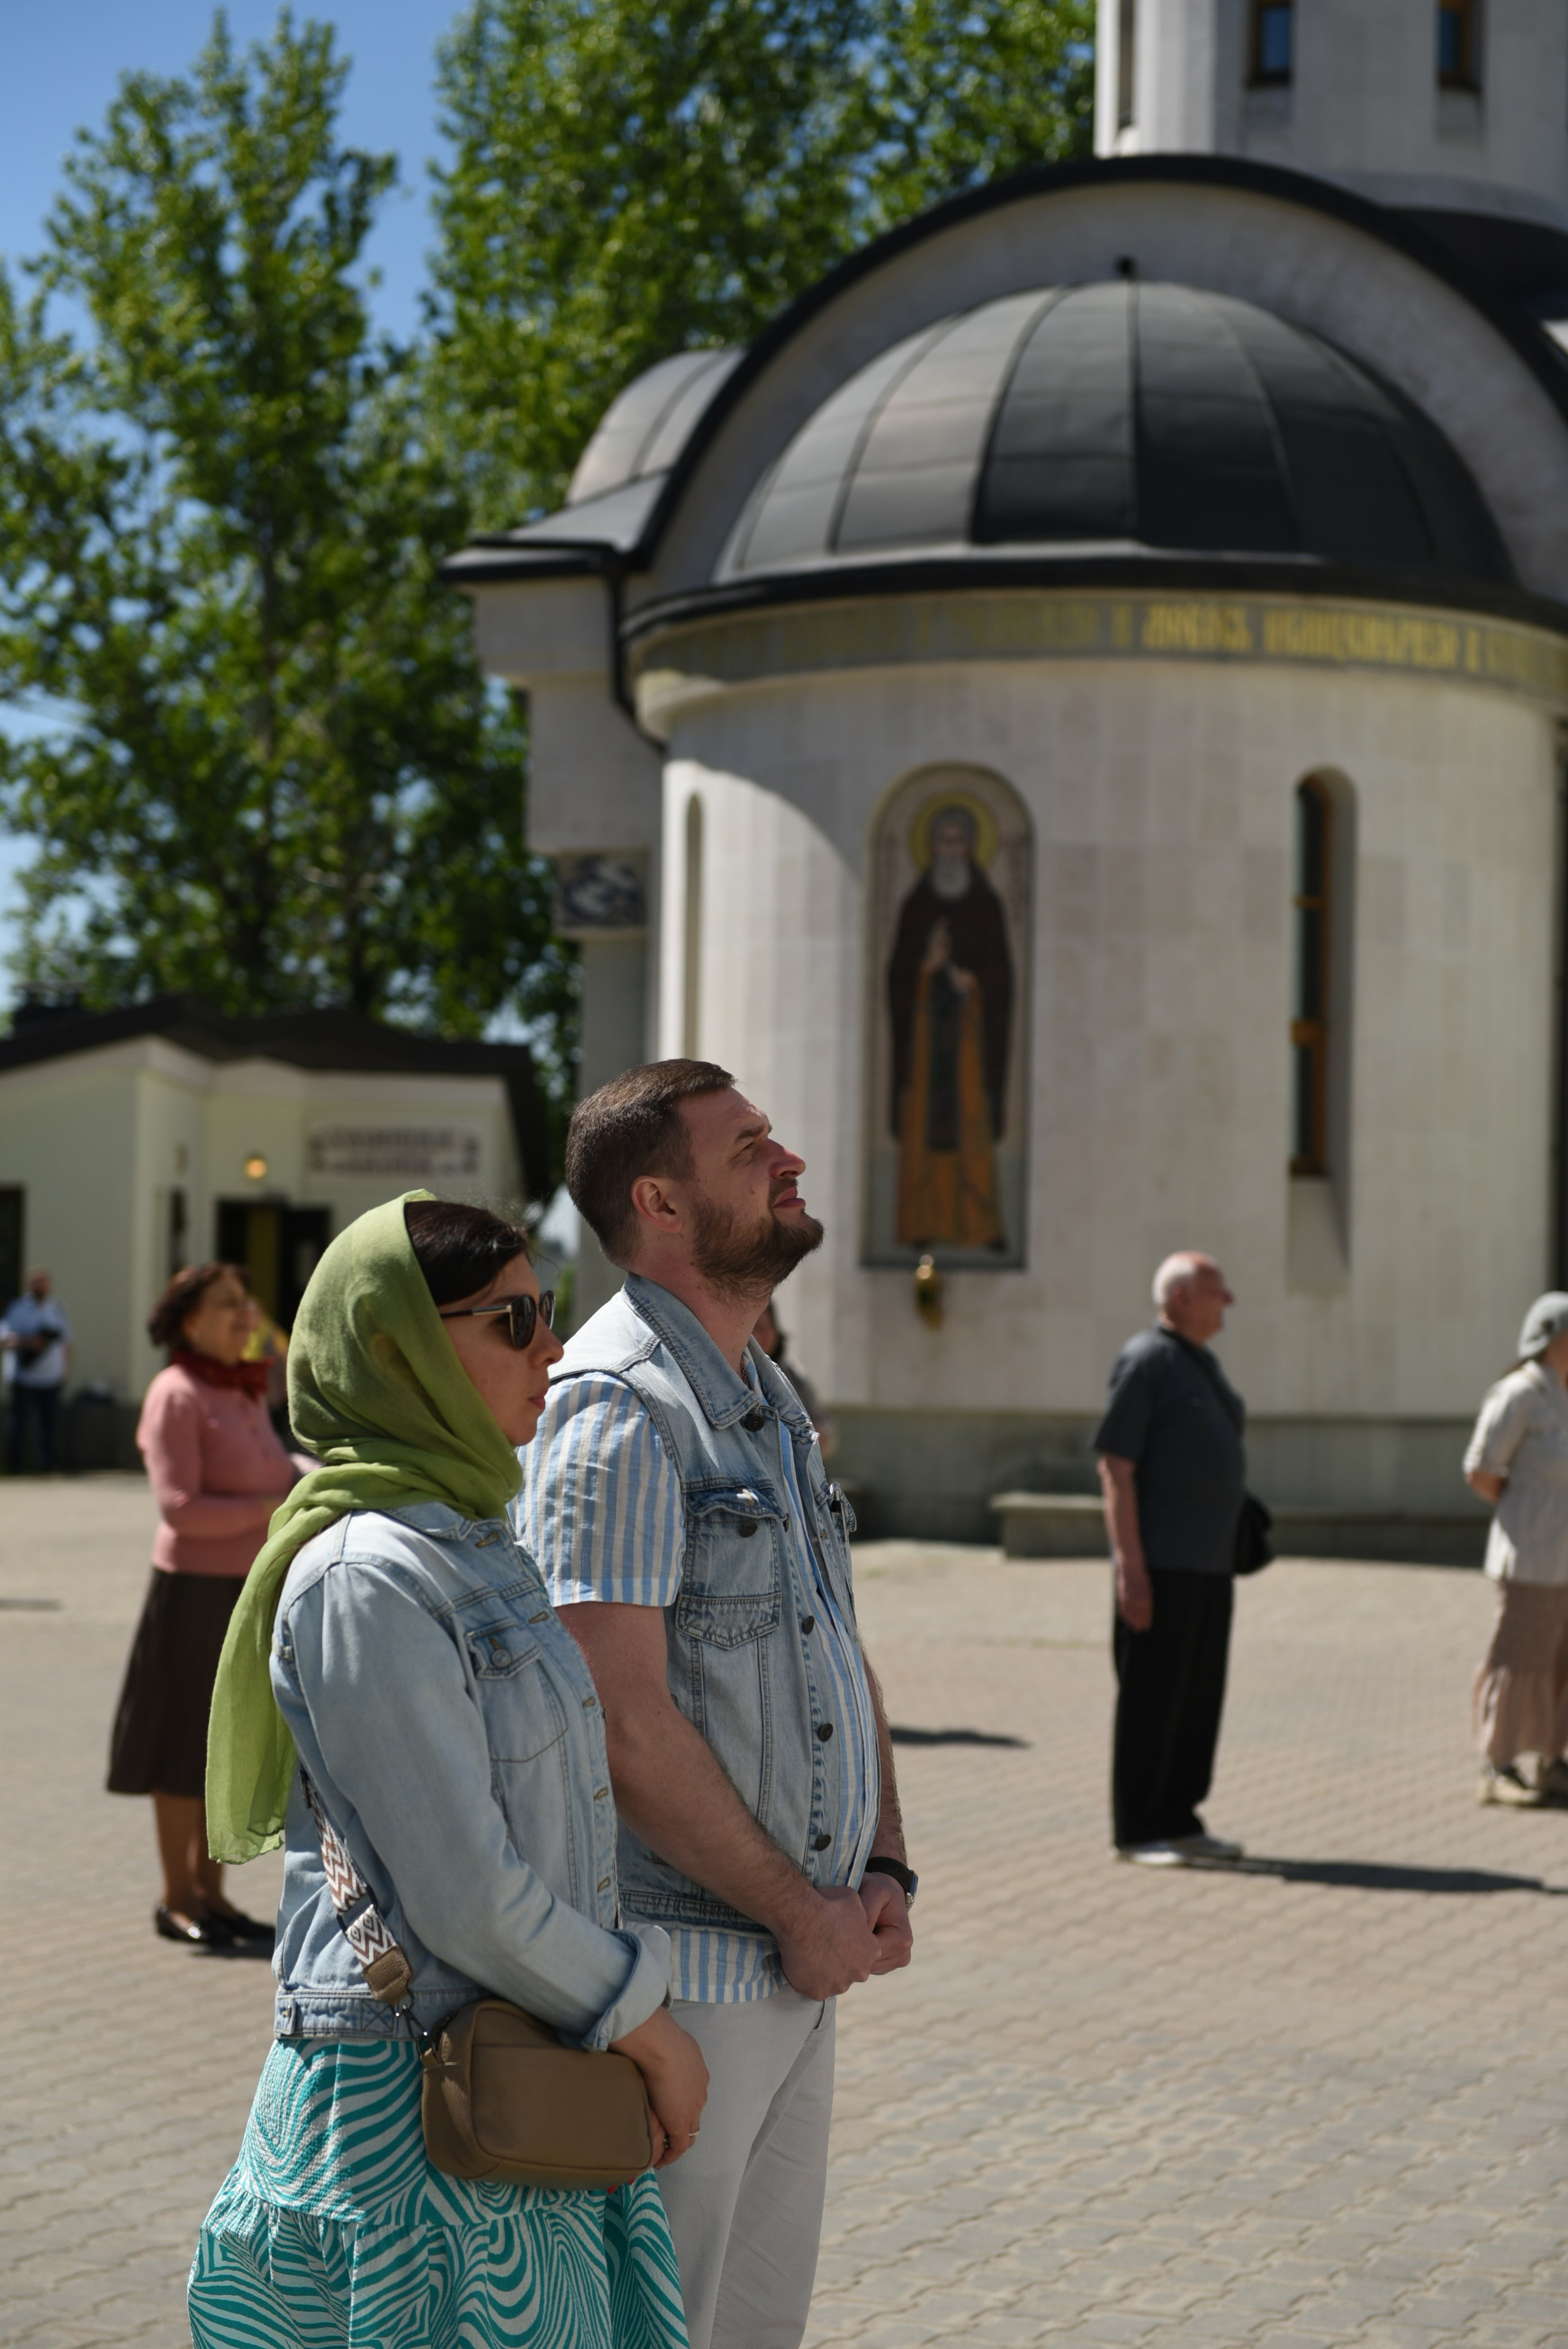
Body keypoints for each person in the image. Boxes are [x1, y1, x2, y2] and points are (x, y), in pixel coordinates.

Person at [189, 1193, 705, 2349]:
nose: (552, 1346)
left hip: (514, 2085)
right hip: (409, 2112)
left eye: (547, 1307)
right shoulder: (366, 1576)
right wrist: (647, 2024)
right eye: (514, 1319)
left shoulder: (475, 1542)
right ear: (397, 1350)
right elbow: (467, 1894)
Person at [520, 1060, 914, 2349]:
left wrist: (883, 1863)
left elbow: (833, 1642)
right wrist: (803, 1911)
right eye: (748, 1147)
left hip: (795, 1961)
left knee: (750, 2328)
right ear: (662, 1203)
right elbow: (615, 1718)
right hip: (685, 1978)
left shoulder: (765, 1397)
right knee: (658, 2329)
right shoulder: (615, 1405)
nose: (788, 1159)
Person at [107, 1261, 306, 1948]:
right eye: (228, 1304)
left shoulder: (241, 1387)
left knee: (224, 1742)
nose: (246, 1314)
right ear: (190, 1322)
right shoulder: (176, 1392)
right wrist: (272, 1504)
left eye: (246, 1302)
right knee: (179, 1746)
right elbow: (180, 1508)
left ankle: (213, 1895)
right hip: (192, 1591)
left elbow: (280, 1469)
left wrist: (317, 1480)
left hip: (244, 1588)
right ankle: (178, 1898)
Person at [1096, 1251, 1247, 1868]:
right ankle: (1138, 1830)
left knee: (1197, 1699)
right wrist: (1130, 1568)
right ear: (1181, 1297)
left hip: (1209, 1563)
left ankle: (1180, 1819)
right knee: (1152, 1699)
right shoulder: (1147, 1359)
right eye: (1217, 1289)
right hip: (1160, 1565)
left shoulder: (1199, 1361)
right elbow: (1115, 1467)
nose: (1228, 1301)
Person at [886, 802, 1014, 1249]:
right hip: (925, 1041)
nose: (951, 850)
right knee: (925, 1128)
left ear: (971, 848)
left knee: (971, 1127)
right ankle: (922, 1223)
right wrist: (926, 969)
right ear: (932, 847)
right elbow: (897, 976)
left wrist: (973, 984)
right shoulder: (917, 906)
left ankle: (980, 1226)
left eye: (959, 842)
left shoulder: (986, 906)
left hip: (970, 1042)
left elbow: (1002, 978)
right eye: (944, 841)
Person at [1463, 1291, 1568, 1807]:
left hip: (1565, 1557)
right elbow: (1481, 1470)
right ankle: (1498, 1766)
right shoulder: (1519, 1393)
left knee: (1560, 1662)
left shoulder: (1564, 1394)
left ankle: (1553, 1760)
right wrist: (1527, 1511)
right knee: (1518, 1657)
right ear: (1554, 1338)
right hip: (1531, 1556)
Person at [2, 1266, 72, 1473]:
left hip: (51, 1377)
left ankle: (48, 1465)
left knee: (49, 1425)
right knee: (18, 1423)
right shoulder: (17, 1308)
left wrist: (65, 1371)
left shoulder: (57, 1309)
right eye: (34, 1283)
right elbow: (5, 1338)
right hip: (24, 1378)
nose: (39, 1287)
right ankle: (15, 1466)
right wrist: (28, 1343)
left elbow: (67, 1342)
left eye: (42, 1283)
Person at [752, 1295, 837, 1458]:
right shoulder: (740, 1374)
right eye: (759, 1328)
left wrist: (816, 1436)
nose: (766, 1335)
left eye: (771, 1327)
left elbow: (822, 1425)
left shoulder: (793, 1374)